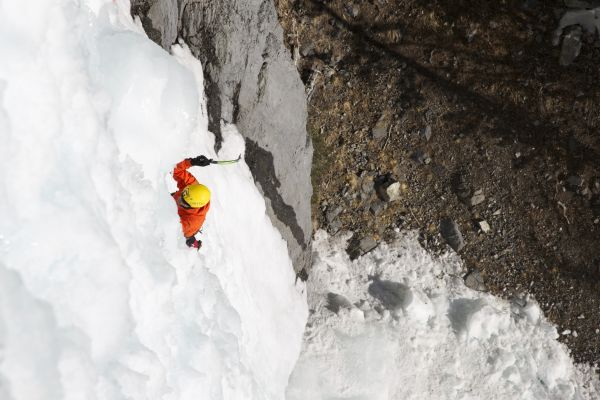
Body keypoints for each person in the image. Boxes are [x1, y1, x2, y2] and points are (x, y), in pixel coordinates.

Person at [171, 155, 213, 249]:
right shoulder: (193, 188)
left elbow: (170, 228)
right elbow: (177, 170)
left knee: (189, 239)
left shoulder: (190, 223)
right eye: (182, 195)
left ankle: (195, 244)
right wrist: (192, 162)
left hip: (189, 229)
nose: (179, 200)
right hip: (182, 214)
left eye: (183, 202)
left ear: (193, 206)